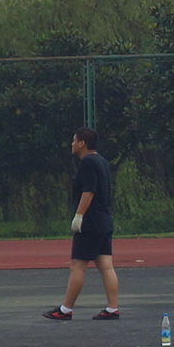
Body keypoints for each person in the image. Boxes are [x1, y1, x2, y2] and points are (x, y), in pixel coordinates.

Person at [47, 127, 119, 320]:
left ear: (82, 143)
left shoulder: (87, 162)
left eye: (74, 140)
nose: (71, 144)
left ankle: (66, 309)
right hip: (104, 219)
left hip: (91, 221)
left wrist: (79, 215)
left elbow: (89, 191)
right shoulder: (101, 161)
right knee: (106, 265)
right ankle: (112, 308)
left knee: (77, 265)